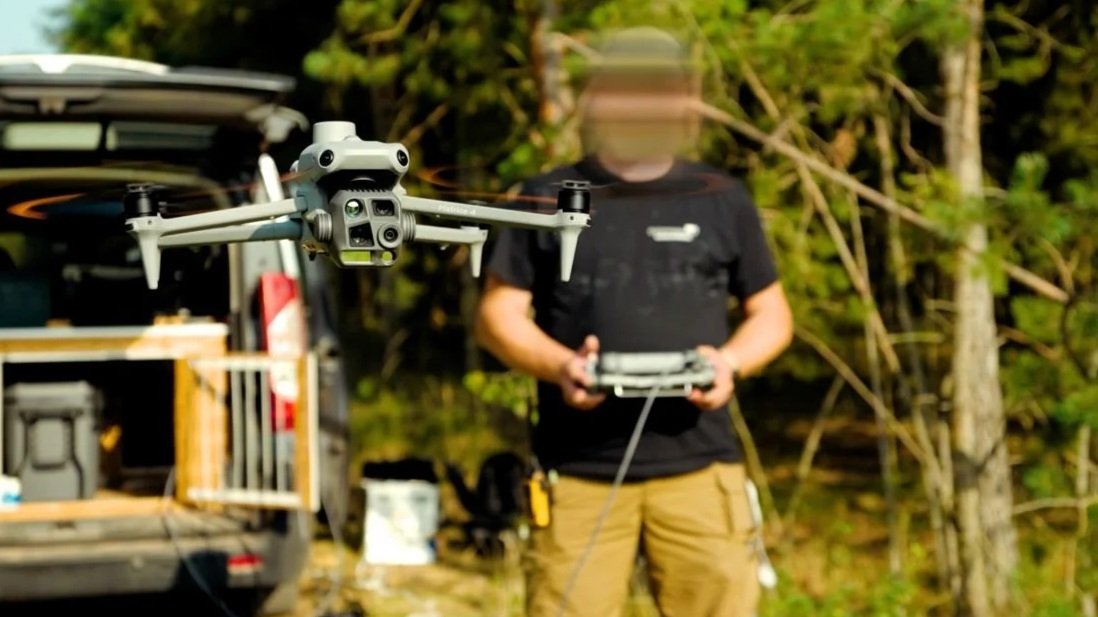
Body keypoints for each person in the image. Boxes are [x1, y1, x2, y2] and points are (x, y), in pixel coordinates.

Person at [474, 26, 794, 617]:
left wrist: (731, 363)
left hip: (701, 471)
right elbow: (497, 316)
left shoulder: (721, 197)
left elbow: (772, 313)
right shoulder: (545, 197)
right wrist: (561, 365)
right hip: (578, 474)